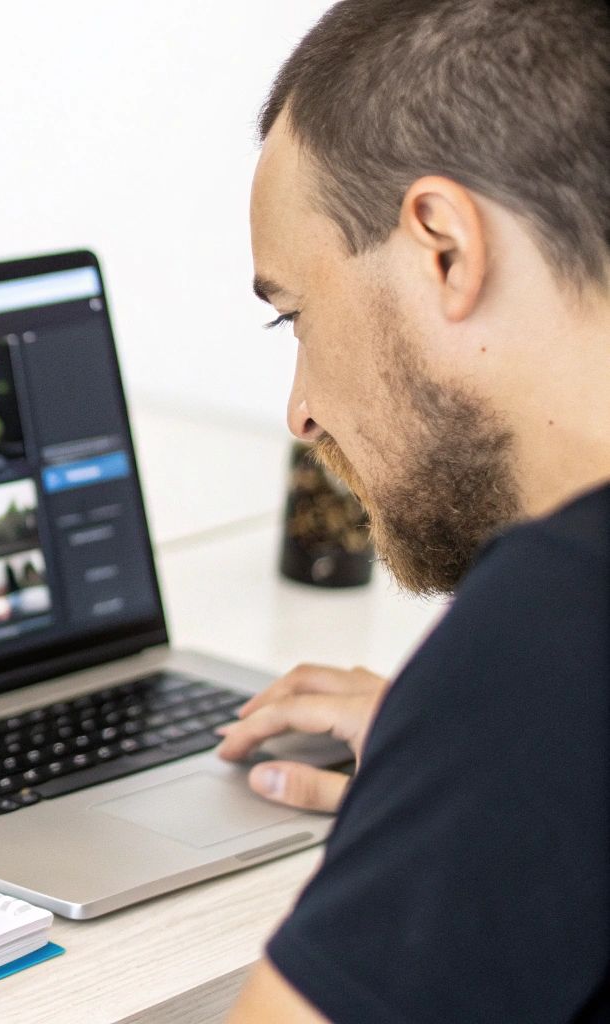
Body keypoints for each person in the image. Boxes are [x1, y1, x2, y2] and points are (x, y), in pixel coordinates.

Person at [220, 1, 610, 1020]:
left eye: (295, 315)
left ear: (443, 247)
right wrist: (465, 781)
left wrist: (484, 738)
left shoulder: (558, 627)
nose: (301, 412)